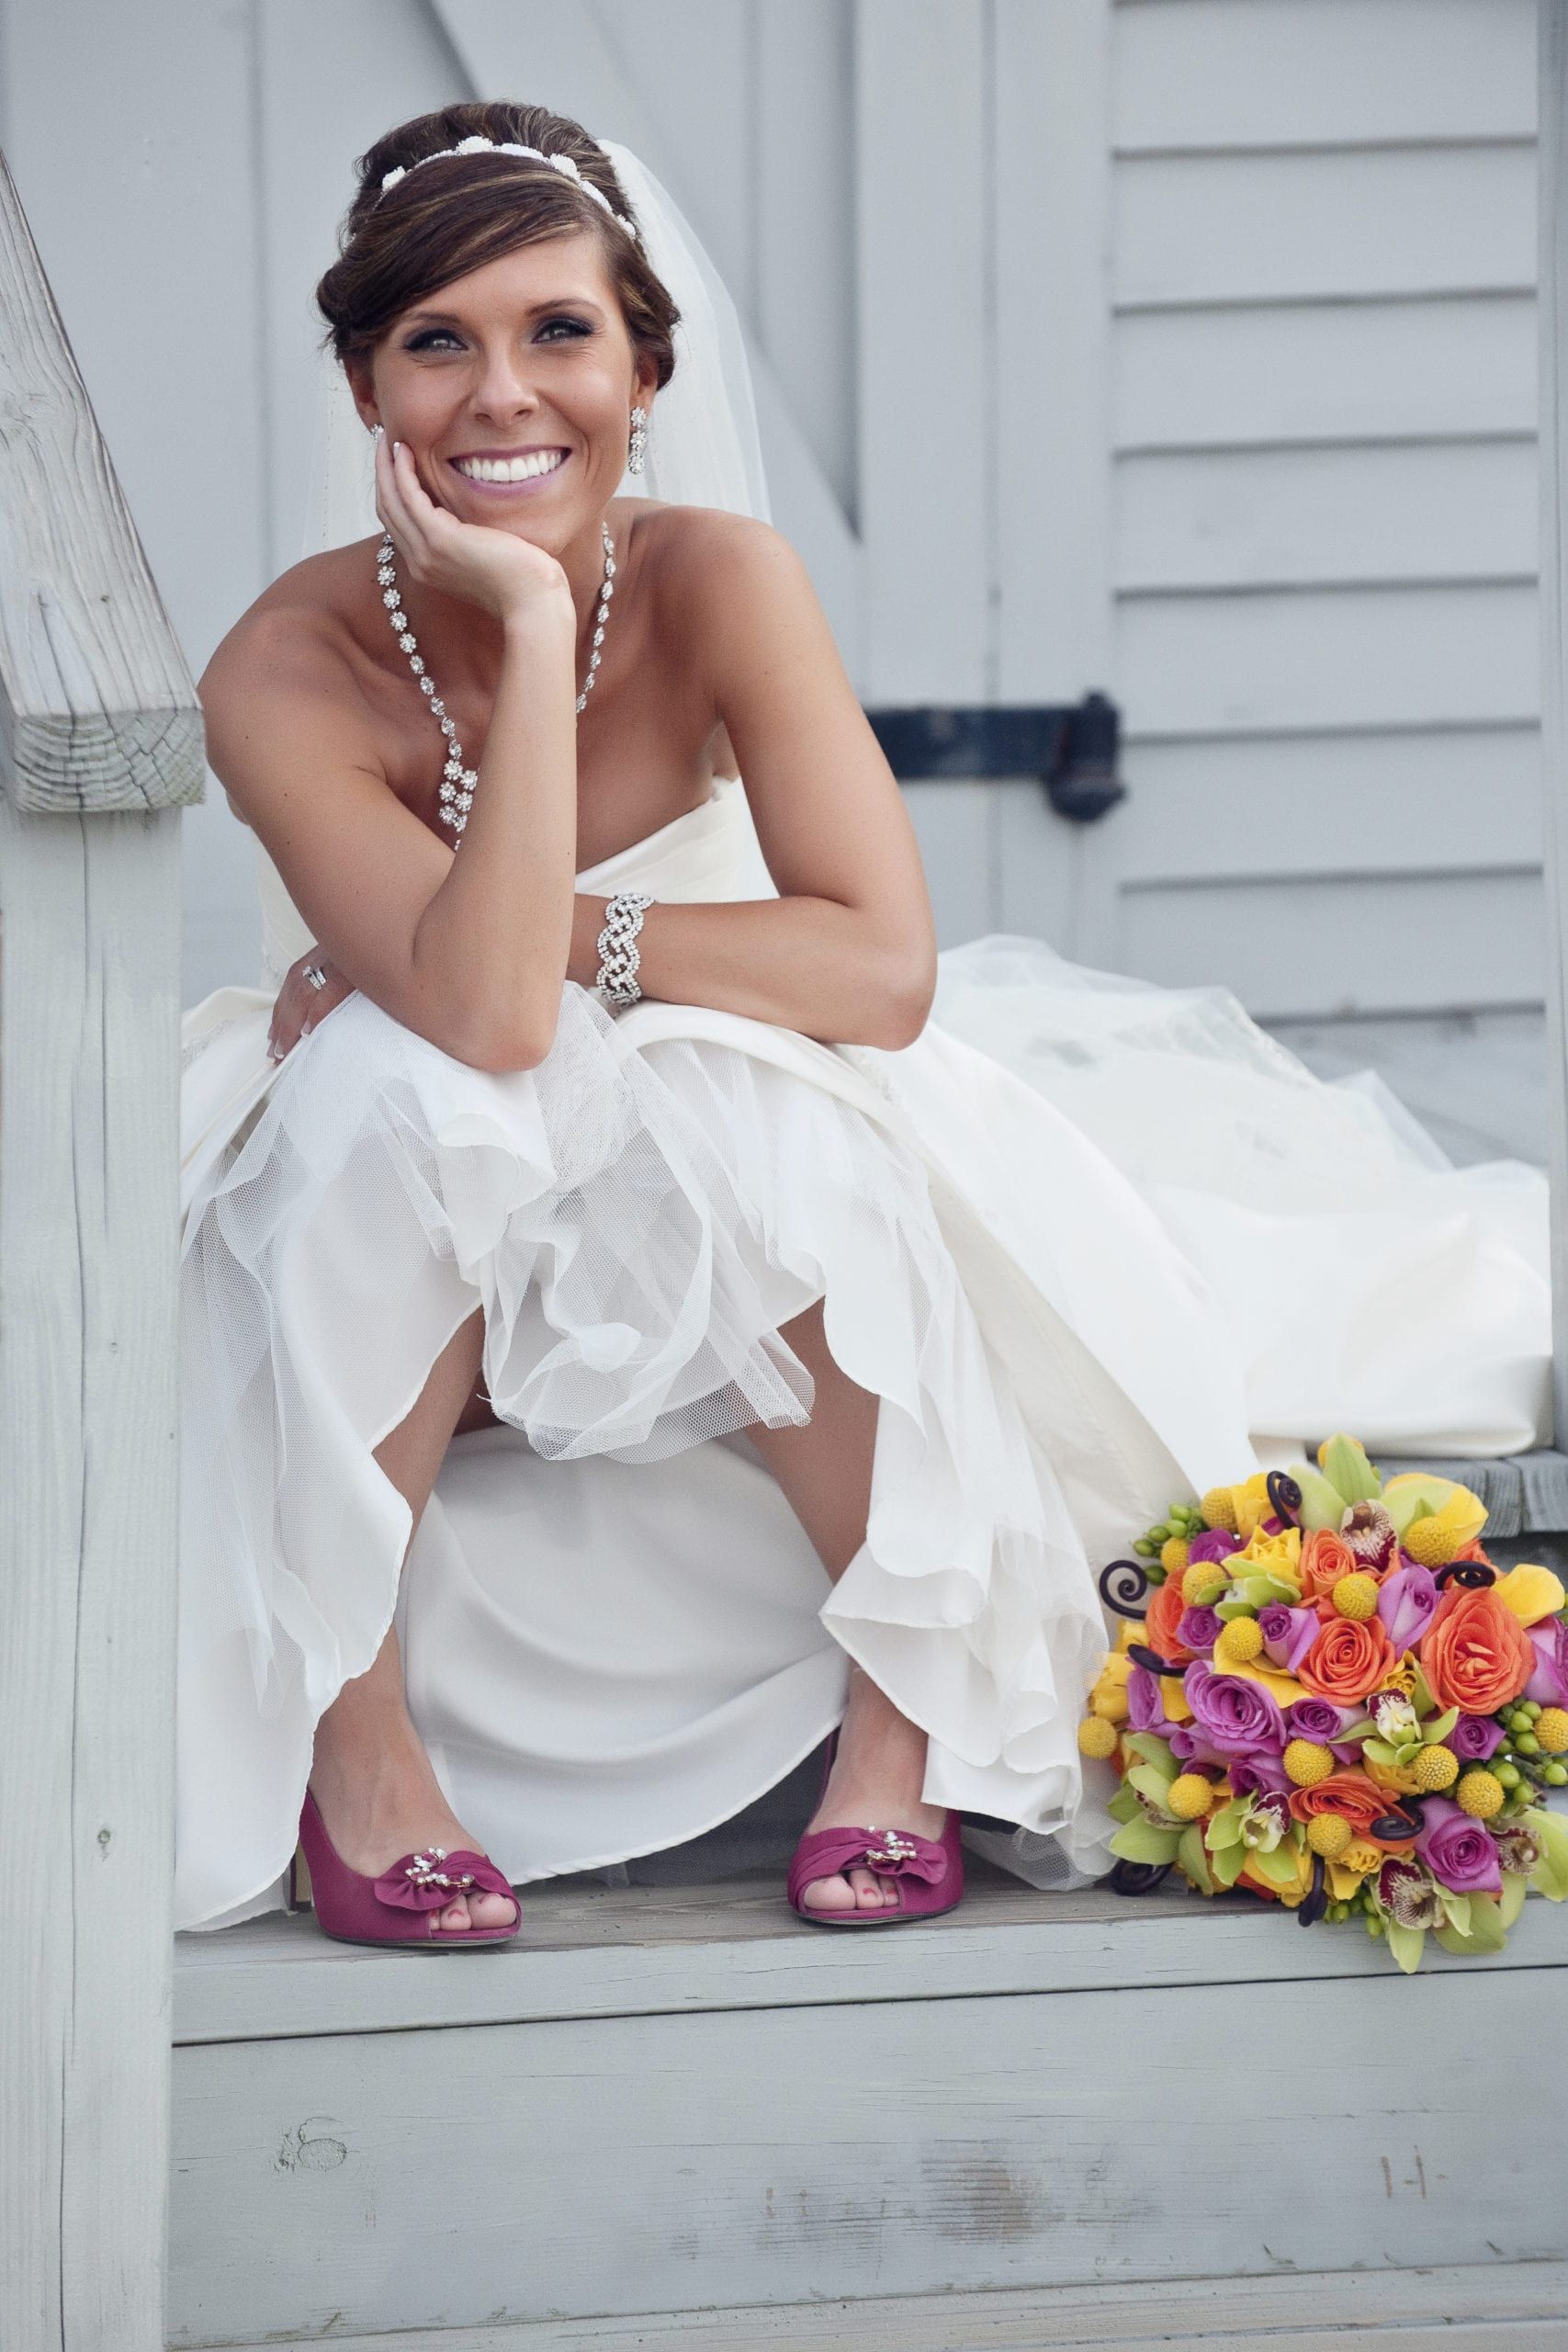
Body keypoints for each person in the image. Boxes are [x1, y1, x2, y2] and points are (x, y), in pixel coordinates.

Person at [176, 102, 1551, 1949]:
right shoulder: (282, 665)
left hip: (710, 1117)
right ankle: (360, 1750)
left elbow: (880, 973)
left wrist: (527, 935)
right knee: (385, 1091)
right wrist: (514, 632)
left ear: (643, 365)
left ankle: (897, 1721)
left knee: (755, 1103)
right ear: (365, 384)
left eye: (556, 332)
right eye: (437, 342)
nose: (501, 394)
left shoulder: (721, 577)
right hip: (444, 1161)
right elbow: (484, 1024)